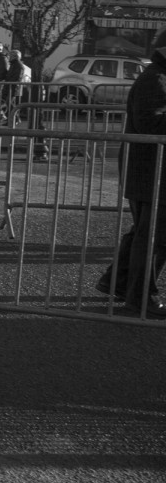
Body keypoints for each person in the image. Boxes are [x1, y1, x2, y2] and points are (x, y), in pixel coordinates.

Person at [96, 34, 166, 318]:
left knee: (145, 233)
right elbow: (151, 122)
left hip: (151, 172)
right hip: (154, 172)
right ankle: (141, 296)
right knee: (155, 237)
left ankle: (119, 282)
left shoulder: (158, 76)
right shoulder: (156, 79)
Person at [4, 49, 32, 122]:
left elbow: (17, 78)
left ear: (15, 56)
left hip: (14, 87)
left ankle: (15, 118)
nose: (9, 57)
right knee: (9, 103)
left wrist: (9, 83)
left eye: (11, 56)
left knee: (9, 103)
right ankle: (12, 119)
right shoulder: (13, 64)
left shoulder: (18, 65)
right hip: (11, 87)